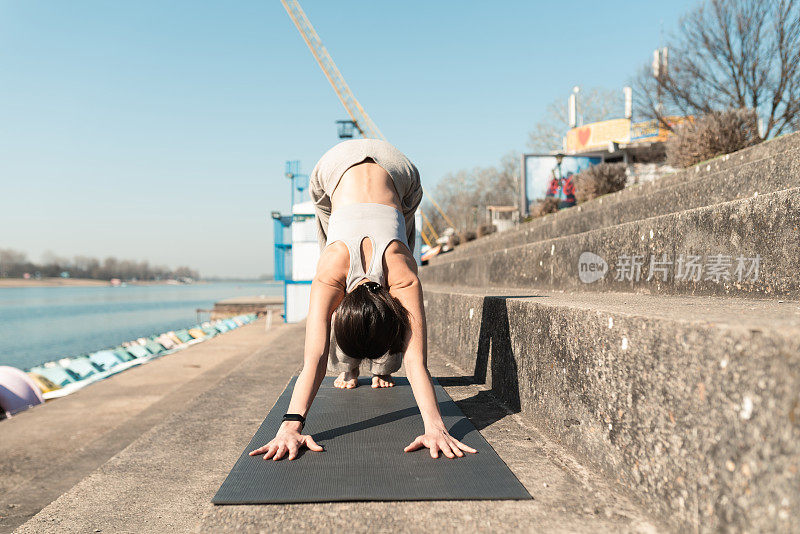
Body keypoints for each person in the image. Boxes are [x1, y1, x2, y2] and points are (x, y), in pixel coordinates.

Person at [249, 139, 477, 462]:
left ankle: (375, 369)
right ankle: (353, 368)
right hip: (341, 170)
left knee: (392, 233)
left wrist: (435, 426)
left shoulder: (400, 274)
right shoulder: (344, 272)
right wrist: (290, 426)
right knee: (372, 242)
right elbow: (317, 357)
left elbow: (412, 363)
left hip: (395, 173)